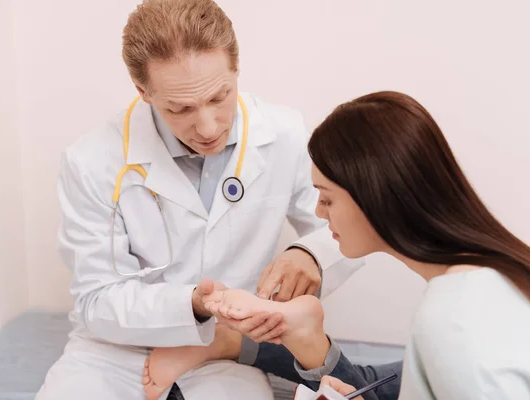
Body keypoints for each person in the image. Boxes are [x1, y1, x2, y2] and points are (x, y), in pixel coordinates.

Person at [35, 0, 391, 399]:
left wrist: (308, 254)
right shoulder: (92, 161)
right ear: (143, 92)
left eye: (220, 97)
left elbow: (346, 228)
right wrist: (194, 304)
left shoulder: (283, 133)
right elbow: (96, 301)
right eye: (181, 108)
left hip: (225, 350)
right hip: (114, 350)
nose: (207, 127)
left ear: (236, 69)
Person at [189, 91, 530, 399]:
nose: (319, 213)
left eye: (326, 196)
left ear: (374, 196)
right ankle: (296, 339)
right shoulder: (508, 273)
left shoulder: (453, 324)